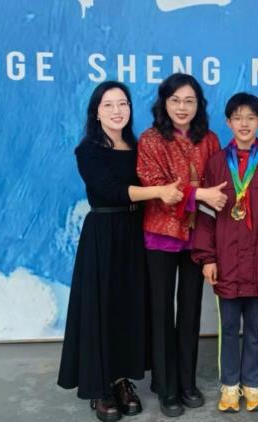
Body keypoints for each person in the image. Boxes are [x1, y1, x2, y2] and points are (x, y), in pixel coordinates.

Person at [58, 81, 185, 422]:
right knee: (101, 308)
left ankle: (121, 379)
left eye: (123, 104)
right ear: (96, 112)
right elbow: (110, 190)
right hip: (103, 233)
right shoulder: (88, 150)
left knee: (128, 308)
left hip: (135, 233)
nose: (117, 111)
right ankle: (99, 388)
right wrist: (159, 191)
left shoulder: (139, 146)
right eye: (109, 105)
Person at [136, 73, 228, 418]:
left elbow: (219, 188)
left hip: (197, 238)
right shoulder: (150, 139)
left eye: (189, 101)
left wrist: (208, 199)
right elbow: (156, 187)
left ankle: (187, 382)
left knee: (190, 311)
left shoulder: (210, 139)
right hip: (160, 235)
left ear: (198, 105)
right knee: (161, 311)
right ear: (164, 103)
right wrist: (200, 194)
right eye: (175, 100)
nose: (182, 107)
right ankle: (166, 386)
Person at [193, 92, 258, 413]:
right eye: (237, 118)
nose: (244, 123)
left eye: (250, 118)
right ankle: (230, 385)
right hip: (226, 259)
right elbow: (206, 215)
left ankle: (252, 383)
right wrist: (208, 258)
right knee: (229, 327)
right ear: (228, 122)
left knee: (254, 329)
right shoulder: (217, 163)